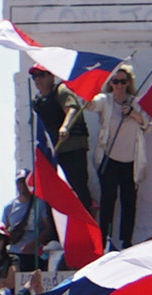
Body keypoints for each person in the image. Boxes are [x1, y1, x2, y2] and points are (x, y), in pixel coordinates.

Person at [89, 64, 152, 249]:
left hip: (130, 161)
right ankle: (104, 239)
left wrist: (133, 114)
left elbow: (147, 125)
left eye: (123, 81)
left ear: (128, 83)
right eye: (115, 81)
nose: (119, 85)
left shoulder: (136, 103)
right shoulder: (106, 100)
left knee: (129, 201)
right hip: (109, 158)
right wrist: (88, 88)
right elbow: (91, 104)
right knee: (108, 199)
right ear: (110, 83)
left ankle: (126, 241)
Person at [30, 65, 92, 206]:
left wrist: (65, 126)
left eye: (41, 75)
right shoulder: (38, 101)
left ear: (51, 76)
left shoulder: (61, 91)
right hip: (55, 151)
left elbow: (72, 109)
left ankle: (86, 216)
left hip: (73, 148)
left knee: (78, 186)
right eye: (35, 76)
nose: (38, 79)